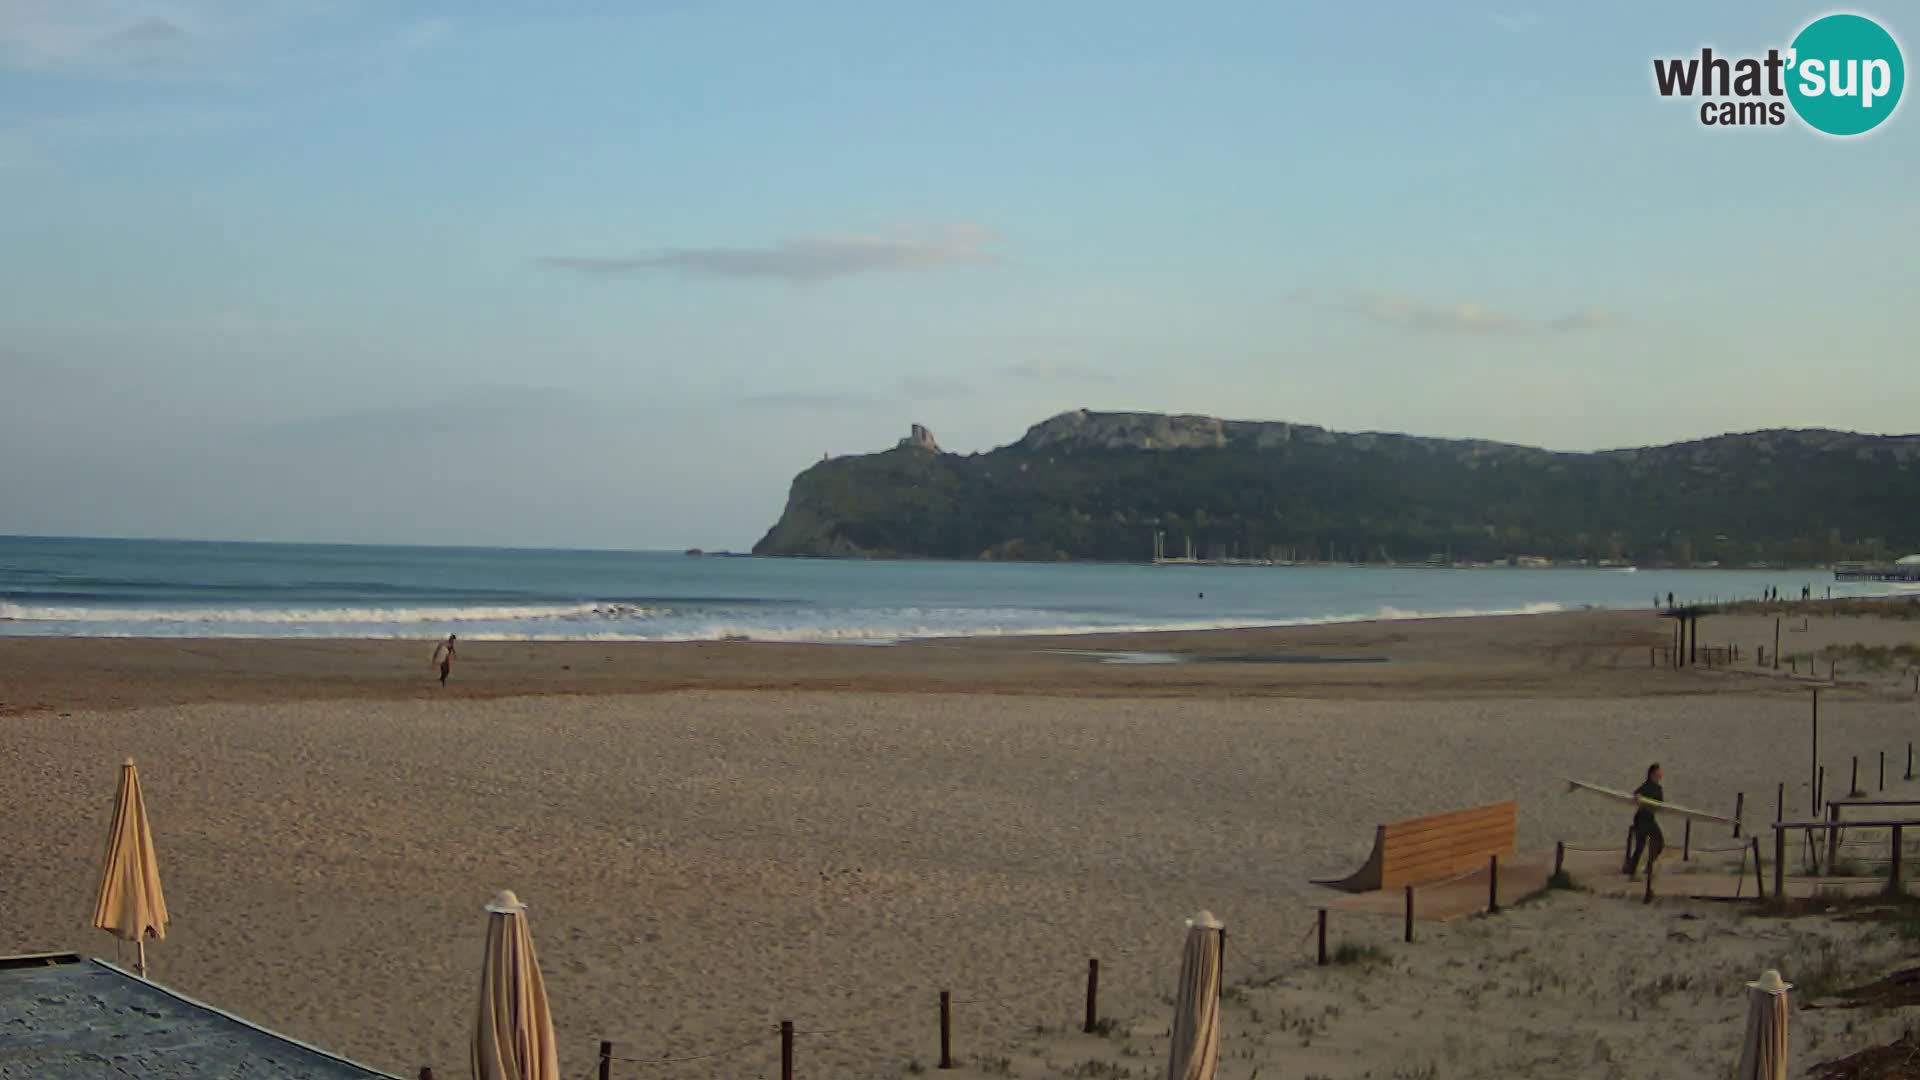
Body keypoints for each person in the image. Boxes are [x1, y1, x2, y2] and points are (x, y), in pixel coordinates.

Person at [1623, 763, 1665, 879]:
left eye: (1660, 773)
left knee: (1660, 843)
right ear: (1652, 774)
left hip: (1650, 819)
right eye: (1658, 773)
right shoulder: (1646, 785)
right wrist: (1638, 797)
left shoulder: (1659, 789)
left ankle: (1648, 865)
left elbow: (1660, 804)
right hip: (1641, 819)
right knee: (1640, 846)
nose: (1660, 775)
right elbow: (1636, 793)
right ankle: (1631, 870)